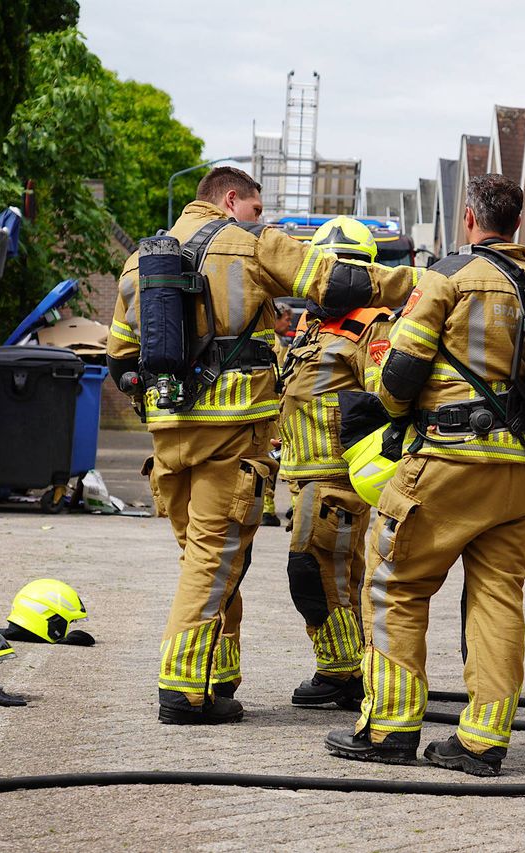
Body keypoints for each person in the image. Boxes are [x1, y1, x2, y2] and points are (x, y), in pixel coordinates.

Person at [106, 167, 416, 725]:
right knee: (212, 560)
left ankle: (218, 676)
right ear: (231, 200)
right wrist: (422, 283)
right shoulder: (248, 244)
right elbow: (334, 282)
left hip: (168, 438)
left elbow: (120, 361)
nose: (261, 219)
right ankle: (183, 690)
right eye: (256, 209)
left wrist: (163, 409)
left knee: (212, 559)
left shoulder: (139, 262)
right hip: (230, 434)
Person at [325, 174, 525, 777]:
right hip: (524, 470)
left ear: (470, 220)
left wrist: (387, 409)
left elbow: (401, 372)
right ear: (517, 224)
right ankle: (483, 741)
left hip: (450, 462)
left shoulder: (447, 276)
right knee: (498, 599)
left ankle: (389, 729)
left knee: (394, 585)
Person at [277, 216, 402, 710]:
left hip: (339, 474)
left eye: (343, 268)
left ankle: (341, 669)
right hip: (303, 472)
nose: (332, 279)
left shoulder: (375, 325)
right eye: (325, 267)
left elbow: (386, 399)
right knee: (338, 575)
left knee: (311, 569)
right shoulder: (310, 324)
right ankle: (351, 670)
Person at [261, 303, 294, 528]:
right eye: (286, 319)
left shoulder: (261, 339)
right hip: (275, 410)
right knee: (276, 456)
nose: (289, 324)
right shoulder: (278, 344)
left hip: (261, 408)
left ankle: (266, 509)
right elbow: (282, 378)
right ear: (275, 318)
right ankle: (270, 509)